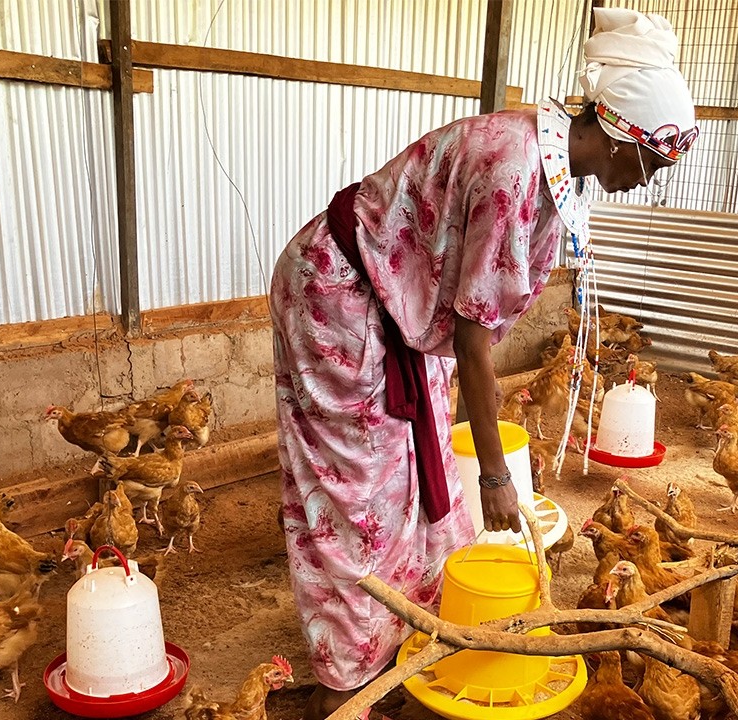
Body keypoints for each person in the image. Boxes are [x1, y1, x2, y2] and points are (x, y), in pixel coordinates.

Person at [268, 8, 698, 719]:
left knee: (416, 469)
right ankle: (342, 683)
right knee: (355, 491)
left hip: (401, 307)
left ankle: (402, 635)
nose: (646, 179)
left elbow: (471, 322)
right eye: (651, 162)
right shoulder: (515, 169)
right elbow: (474, 341)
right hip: (340, 295)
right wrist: (495, 475)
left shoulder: (551, 161)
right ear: (619, 134)